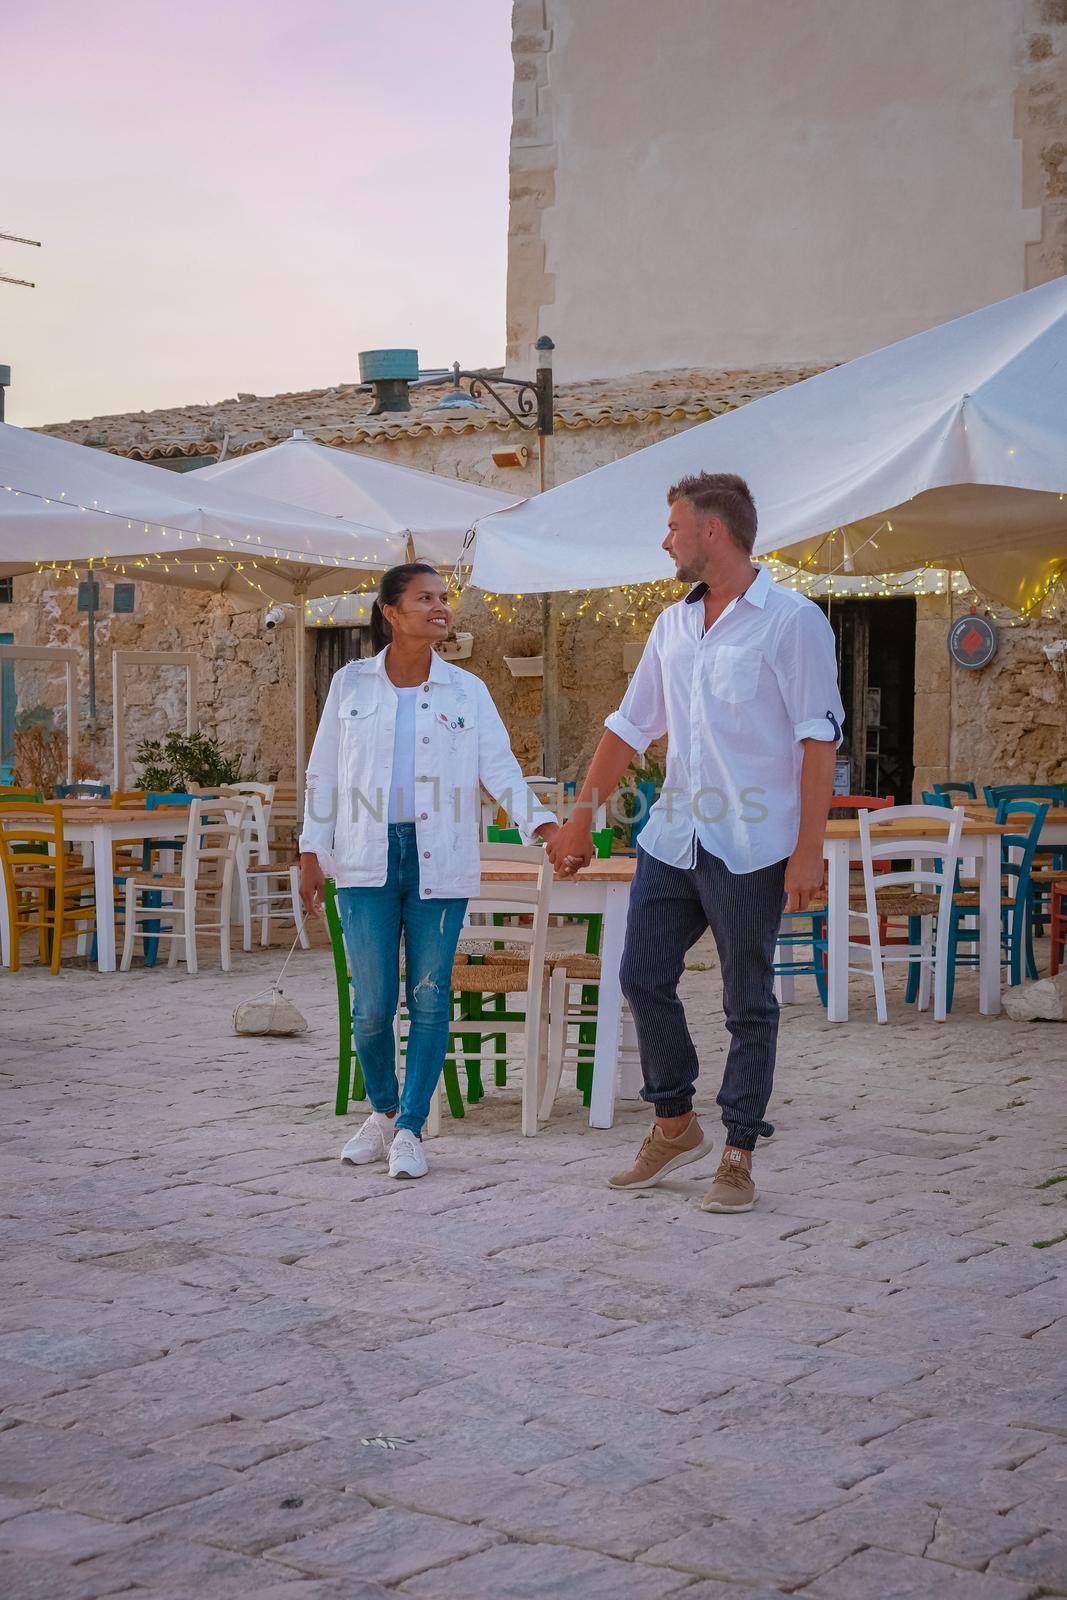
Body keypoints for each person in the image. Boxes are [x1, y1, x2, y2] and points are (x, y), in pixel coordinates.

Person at [548, 473, 843, 1212]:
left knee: (748, 1003)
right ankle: (675, 1122)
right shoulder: (672, 624)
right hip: (675, 832)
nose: (665, 539)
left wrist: (809, 847)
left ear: (712, 530)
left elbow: (817, 737)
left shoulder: (791, 620)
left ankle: (738, 1152)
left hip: (753, 840)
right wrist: (582, 816)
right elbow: (628, 723)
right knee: (641, 974)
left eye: (673, 525)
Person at [299, 562, 558, 1180]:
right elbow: (324, 773)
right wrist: (311, 849)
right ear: (390, 611)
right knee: (371, 1006)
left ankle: (412, 1127)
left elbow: (501, 769)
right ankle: (384, 1110)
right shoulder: (350, 684)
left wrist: (541, 824)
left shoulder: (466, 690)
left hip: (439, 856)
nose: (441, 607)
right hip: (364, 857)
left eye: (445, 598)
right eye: (425, 599)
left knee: (430, 995)